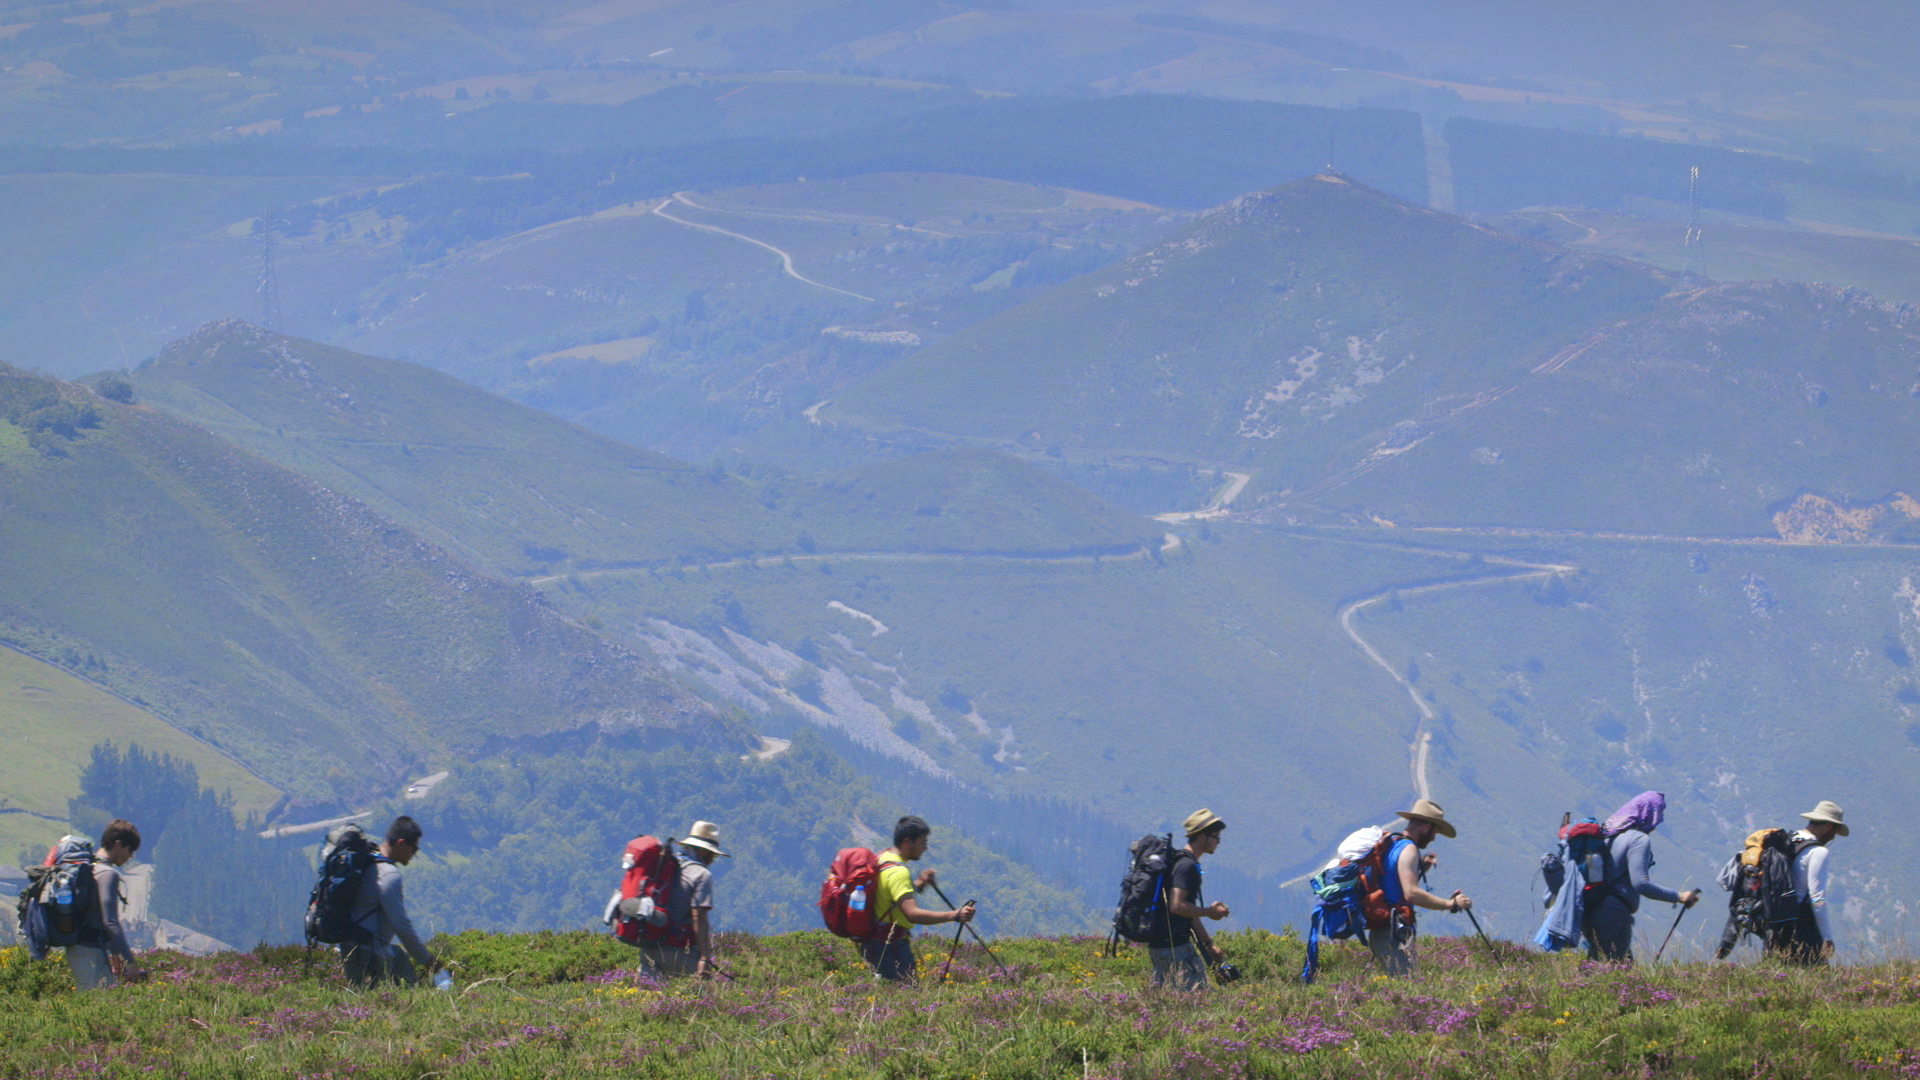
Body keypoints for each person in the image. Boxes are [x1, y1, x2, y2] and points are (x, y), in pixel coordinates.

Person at [1583, 791, 1698, 964]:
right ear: (1649, 813)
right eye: (1658, 814)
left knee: (1595, 967)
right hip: (1613, 914)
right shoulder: (1638, 839)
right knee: (1620, 972)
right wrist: (1679, 896)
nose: (1658, 822)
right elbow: (1641, 884)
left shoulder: (1606, 833)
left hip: (1589, 910)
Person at [1371, 799, 1473, 977]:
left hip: (1381, 929)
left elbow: (1392, 880)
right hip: (1394, 931)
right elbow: (1411, 893)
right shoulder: (1409, 849)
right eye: (1435, 831)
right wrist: (1451, 904)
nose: (1434, 837)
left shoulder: (1394, 842)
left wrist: (1418, 867)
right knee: (1405, 987)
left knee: (1397, 985)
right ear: (1426, 826)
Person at [866, 816, 975, 982]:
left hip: (873, 943)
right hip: (891, 947)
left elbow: (891, 894)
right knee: (905, 997)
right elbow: (913, 914)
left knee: (885, 995)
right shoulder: (898, 872)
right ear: (908, 842)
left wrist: (919, 883)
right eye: (923, 842)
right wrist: (954, 915)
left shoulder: (883, 859)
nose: (925, 847)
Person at [342, 816, 438, 988]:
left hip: (350, 946)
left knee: (397, 957)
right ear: (401, 843)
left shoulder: (369, 860)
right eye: (414, 848)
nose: (415, 854)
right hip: (370, 953)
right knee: (398, 998)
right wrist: (428, 960)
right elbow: (401, 924)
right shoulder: (388, 874)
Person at [1145, 809, 1231, 990]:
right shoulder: (1187, 866)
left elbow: (1188, 912)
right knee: (1199, 1001)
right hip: (1175, 948)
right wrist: (1210, 912)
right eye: (1215, 837)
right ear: (1202, 837)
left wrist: (1208, 944)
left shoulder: (1179, 861)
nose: (1218, 842)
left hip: (1161, 945)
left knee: (1169, 1003)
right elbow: (1177, 906)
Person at [639, 821, 729, 978]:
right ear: (704, 852)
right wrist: (705, 958)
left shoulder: (667, 865)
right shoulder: (701, 874)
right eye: (712, 854)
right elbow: (699, 916)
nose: (713, 859)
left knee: (647, 998)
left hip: (648, 945)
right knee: (704, 994)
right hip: (677, 950)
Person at [65, 819, 145, 990]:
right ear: (118, 844)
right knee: (96, 1002)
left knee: (97, 999)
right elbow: (110, 921)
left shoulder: (90, 868)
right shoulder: (107, 874)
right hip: (90, 949)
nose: (130, 856)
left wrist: (114, 953)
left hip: (78, 947)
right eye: (130, 849)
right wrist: (129, 960)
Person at [1777, 800, 1847, 965]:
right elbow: (1817, 897)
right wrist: (1827, 937)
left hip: (1778, 921)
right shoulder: (1818, 851)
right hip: (1802, 923)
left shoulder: (1790, 839)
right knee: (1818, 978)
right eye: (1835, 831)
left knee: (1784, 974)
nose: (1833, 836)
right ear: (1830, 826)